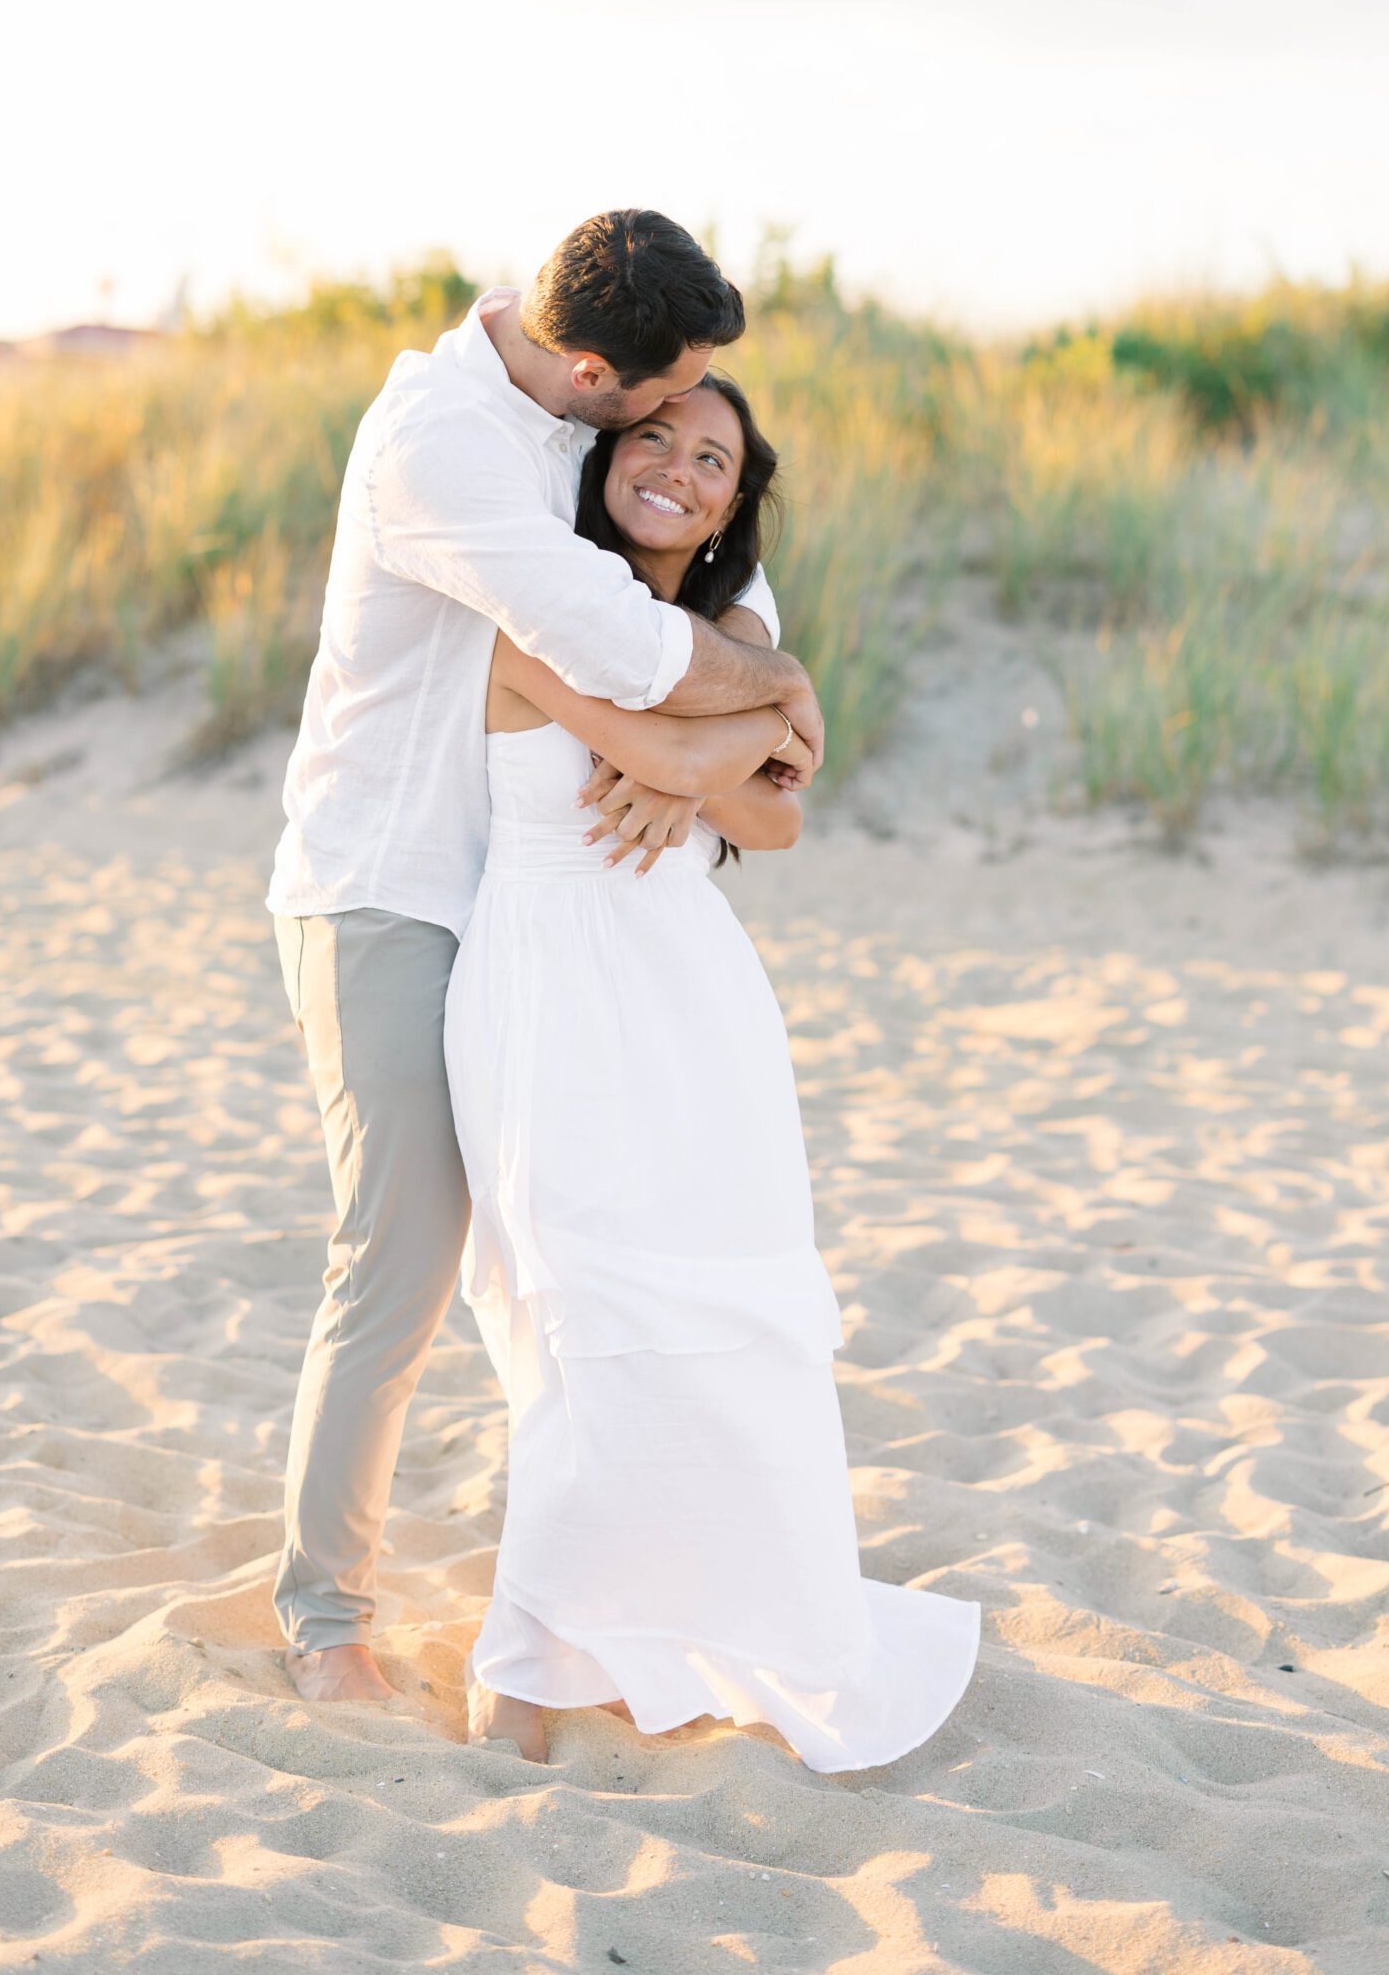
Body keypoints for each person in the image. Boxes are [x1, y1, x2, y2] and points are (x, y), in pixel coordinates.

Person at [266, 210, 823, 1703]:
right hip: (389, 889)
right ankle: (327, 1623)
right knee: (402, 1255)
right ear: (591, 370)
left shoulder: (574, 417)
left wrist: (732, 720)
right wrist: (774, 699)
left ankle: (600, 1578)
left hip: (528, 910)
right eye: (654, 394)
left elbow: (709, 560)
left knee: (569, 1256)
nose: (664, 424)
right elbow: (620, 646)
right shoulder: (438, 446)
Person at [446, 373, 980, 1769]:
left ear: (738, 498)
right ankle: (531, 1656)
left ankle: (691, 1613)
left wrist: (725, 750)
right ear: (603, 457)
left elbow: (778, 820)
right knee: (582, 1308)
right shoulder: (538, 591)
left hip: (691, 991)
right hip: (548, 974)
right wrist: (749, 731)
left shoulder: (741, 625)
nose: (675, 469)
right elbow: (642, 740)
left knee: (723, 1306)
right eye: (652, 440)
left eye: (711, 459)